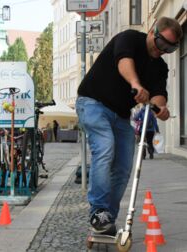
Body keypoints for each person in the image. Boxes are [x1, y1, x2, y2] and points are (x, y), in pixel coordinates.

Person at [75, 17, 182, 235]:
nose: (163, 51)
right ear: (153, 32)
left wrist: (161, 109)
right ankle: (98, 211)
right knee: (105, 148)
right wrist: (135, 83)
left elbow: (159, 95)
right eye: (162, 45)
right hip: (93, 103)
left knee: (123, 166)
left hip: (120, 115)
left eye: (170, 49)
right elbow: (124, 61)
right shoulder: (129, 38)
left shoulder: (159, 67)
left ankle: (107, 219)